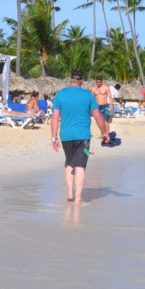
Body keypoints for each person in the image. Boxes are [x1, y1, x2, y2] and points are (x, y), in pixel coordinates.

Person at [50, 69, 111, 206]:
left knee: (69, 162)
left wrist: (54, 138)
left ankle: (70, 192)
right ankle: (78, 200)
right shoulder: (88, 95)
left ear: (69, 78)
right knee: (80, 166)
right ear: (82, 80)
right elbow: (98, 116)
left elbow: (54, 118)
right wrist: (104, 132)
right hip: (83, 136)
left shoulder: (60, 95)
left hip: (65, 136)